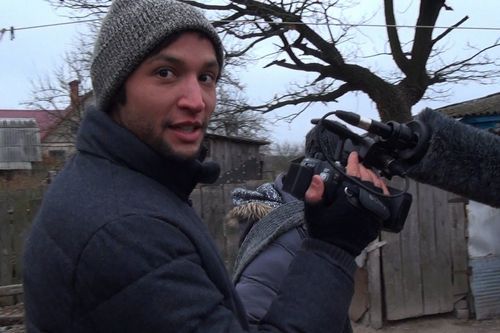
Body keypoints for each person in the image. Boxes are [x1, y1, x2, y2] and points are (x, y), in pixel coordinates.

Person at [23, 0, 388, 332]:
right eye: (166, 73)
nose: (197, 101)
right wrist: (333, 248)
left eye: (206, 77)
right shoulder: (126, 231)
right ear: (116, 89)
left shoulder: (110, 183)